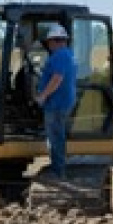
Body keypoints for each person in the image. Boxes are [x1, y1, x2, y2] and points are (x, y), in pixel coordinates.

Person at [36, 22, 78, 179]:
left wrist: (42, 95)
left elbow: (57, 78)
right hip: (63, 101)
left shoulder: (59, 55)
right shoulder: (69, 55)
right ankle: (57, 167)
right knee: (56, 135)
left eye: (49, 42)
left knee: (55, 136)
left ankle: (58, 171)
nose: (48, 45)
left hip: (57, 103)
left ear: (55, 41)